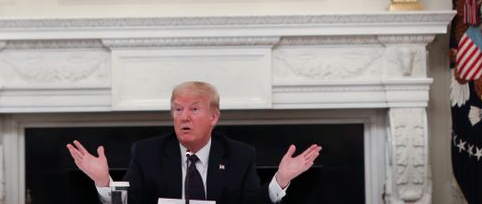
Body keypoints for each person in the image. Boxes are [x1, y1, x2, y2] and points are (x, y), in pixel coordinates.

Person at [67, 81, 322, 204]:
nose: (184, 117)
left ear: (214, 117)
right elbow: (129, 202)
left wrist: (281, 179)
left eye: (194, 109)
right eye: (178, 110)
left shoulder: (239, 155)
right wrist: (103, 181)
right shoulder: (147, 152)